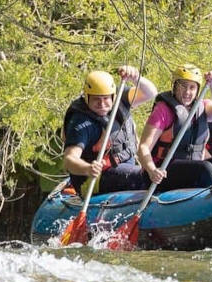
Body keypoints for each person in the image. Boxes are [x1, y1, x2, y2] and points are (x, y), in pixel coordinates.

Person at [137, 64, 212, 191]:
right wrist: (152, 170)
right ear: (174, 85)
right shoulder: (162, 110)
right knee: (205, 168)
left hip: (190, 169)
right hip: (162, 172)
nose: (187, 92)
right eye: (183, 86)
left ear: (197, 90)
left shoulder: (201, 107)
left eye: (192, 87)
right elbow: (143, 147)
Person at [62, 66, 157, 195]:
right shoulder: (81, 122)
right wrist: (88, 168)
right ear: (86, 97)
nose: (102, 104)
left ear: (113, 96)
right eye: (96, 99)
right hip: (95, 179)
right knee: (148, 178)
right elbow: (69, 160)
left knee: (159, 173)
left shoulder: (120, 100)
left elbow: (150, 93)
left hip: (125, 167)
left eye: (106, 98)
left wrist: (135, 78)